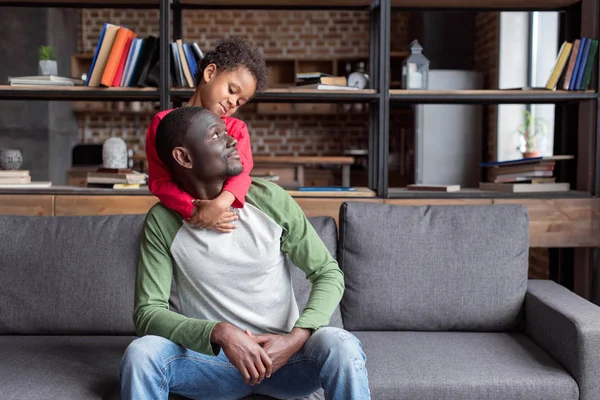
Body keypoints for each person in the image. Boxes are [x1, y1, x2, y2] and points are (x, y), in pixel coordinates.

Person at [120, 106, 370, 400]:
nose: (232, 140)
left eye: (227, 132)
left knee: (341, 344)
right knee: (141, 353)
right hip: (210, 364)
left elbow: (328, 273)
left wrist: (295, 338)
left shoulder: (269, 199)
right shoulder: (162, 221)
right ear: (184, 157)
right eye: (216, 135)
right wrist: (221, 333)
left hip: (284, 360)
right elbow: (148, 313)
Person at [146, 36, 268, 232]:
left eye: (239, 102)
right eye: (231, 90)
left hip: (229, 217)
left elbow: (242, 175)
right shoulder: (163, 123)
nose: (232, 102)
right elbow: (159, 181)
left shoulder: (237, 129)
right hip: (181, 218)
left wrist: (219, 206)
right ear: (210, 73)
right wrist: (194, 210)